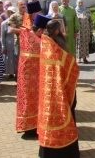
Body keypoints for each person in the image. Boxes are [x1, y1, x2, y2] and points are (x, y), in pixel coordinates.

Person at [38, 19, 80, 157]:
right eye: (61, 30)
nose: (63, 32)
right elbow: (70, 65)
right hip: (59, 90)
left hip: (47, 92)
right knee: (65, 114)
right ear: (57, 31)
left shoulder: (45, 45)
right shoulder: (56, 49)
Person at [16, 14, 51, 138]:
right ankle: (31, 129)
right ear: (40, 30)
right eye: (45, 30)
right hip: (32, 79)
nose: (45, 33)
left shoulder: (27, 34)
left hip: (27, 77)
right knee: (32, 102)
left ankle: (28, 126)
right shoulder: (36, 41)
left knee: (27, 101)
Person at [0, 6, 18, 79]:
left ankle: (17, 73)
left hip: (16, 44)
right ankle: (11, 73)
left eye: (12, 12)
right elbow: (3, 36)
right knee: (10, 60)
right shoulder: (4, 23)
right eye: (9, 12)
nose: (11, 14)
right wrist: (3, 46)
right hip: (9, 44)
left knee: (16, 59)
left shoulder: (19, 21)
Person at [75, 0, 93, 64]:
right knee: (78, 43)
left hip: (86, 30)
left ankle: (85, 58)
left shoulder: (87, 10)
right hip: (78, 31)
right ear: (77, 3)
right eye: (79, 3)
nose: (80, 4)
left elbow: (90, 21)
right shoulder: (75, 11)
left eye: (81, 2)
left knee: (85, 44)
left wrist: (91, 30)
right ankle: (79, 58)